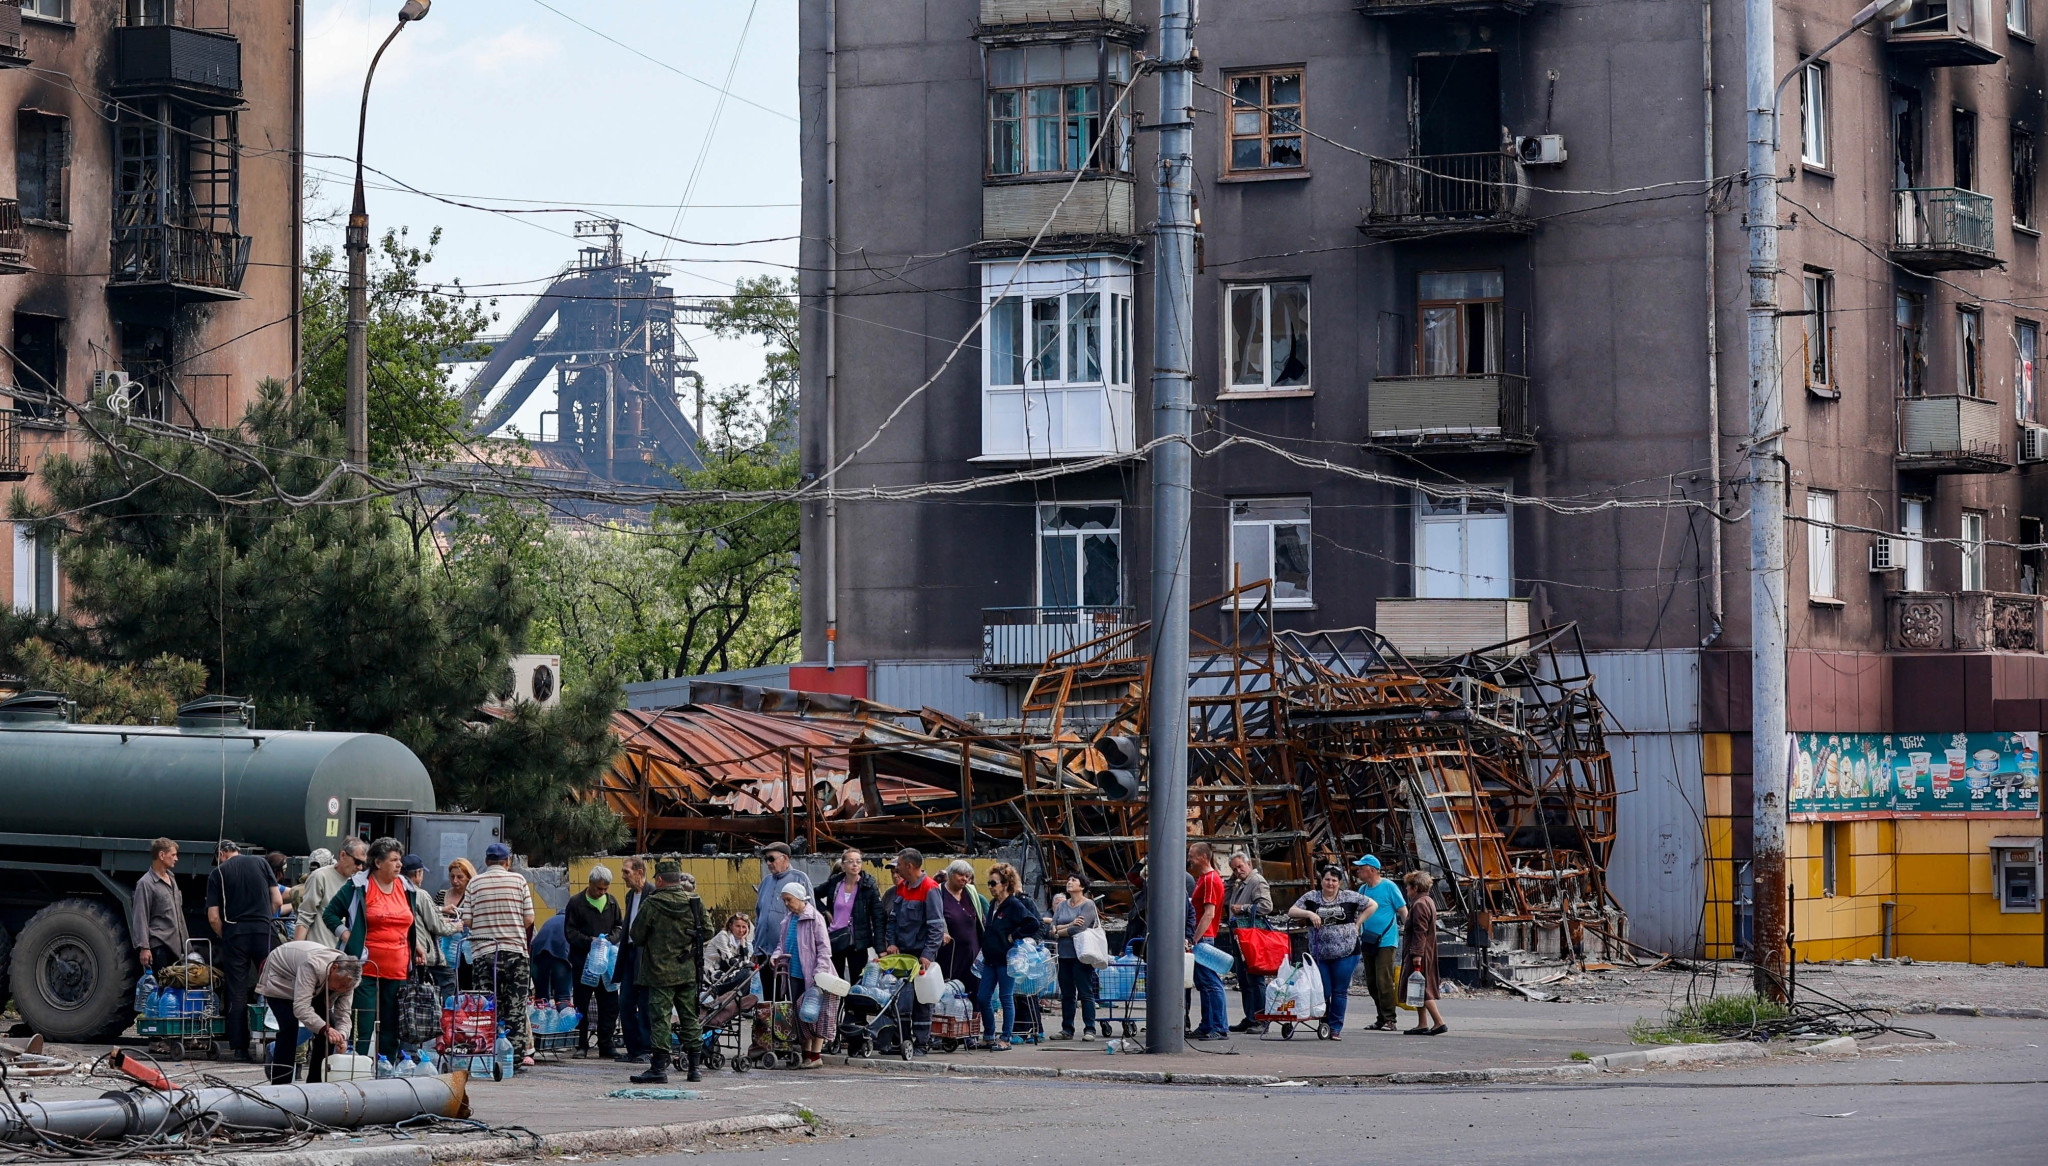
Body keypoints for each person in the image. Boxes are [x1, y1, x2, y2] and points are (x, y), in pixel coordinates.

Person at [321, 837, 417, 1059]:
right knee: (363, 1022)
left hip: (398, 966)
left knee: (392, 1024)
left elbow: (410, 921)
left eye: (399, 860)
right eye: (393, 860)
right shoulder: (357, 886)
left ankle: (386, 1067)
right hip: (365, 967)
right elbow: (330, 914)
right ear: (378, 863)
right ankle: (360, 1066)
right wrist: (347, 936)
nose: (399, 865)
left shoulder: (405, 886)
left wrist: (417, 945)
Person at [631, 857, 712, 1084]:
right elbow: (707, 931)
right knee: (690, 1018)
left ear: (659, 880)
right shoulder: (694, 901)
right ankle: (694, 1068)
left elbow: (636, 936)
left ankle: (658, 1068)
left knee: (661, 1019)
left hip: (658, 973)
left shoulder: (652, 904)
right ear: (678, 879)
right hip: (686, 971)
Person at [461, 842, 537, 1067]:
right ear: (508, 862)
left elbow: (467, 921)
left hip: (484, 954)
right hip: (515, 954)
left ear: (486, 862)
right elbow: (530, 918)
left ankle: (486, 1054)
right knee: (515, 1006)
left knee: (486, 1006)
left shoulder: (474, 883)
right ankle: (512, 1058)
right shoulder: (519, 881)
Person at [206, 840, 283, 1061]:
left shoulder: (217, 874)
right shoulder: (261, 863)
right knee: (274, 985)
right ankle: (277, 1040)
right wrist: (263, 919)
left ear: (222, 854)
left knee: (237, 991)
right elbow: (277, 900)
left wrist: (228, 935)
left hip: (235, 935)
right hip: (263, 932)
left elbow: (213, 917)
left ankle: (239, 1048)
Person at [1286, 865, 1374, 1039]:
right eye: (1327, 879)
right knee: (1323, 990)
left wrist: (1358, 924)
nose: (1330, 883)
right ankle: (1324, 1022)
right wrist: (1309, 914)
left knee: (1339, 991)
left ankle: (1335, 1028)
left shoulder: (1349, 896)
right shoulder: (1311, 897)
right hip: (1320, 952)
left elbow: (1372, 905)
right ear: (1321, 881)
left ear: (1339, 882)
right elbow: (1292, 911)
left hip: (1346, 951)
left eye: (1334, 880)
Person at [257, 942, 360, 1085]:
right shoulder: (313, 965)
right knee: (289, 1029)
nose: (343, 989)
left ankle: (316, 1083)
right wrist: (326, 1029)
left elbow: (343, 1013)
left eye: (347, 987)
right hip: (280, 978)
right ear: (334, 969)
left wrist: (341, 1035)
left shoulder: (348, 981)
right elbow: (301, 1007)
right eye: (342, 985)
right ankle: (280, 1084)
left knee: (330, 1032)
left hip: (314, 985)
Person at [882, 848, 946, 1055]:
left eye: (899, 864)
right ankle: (902, 1040)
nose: (896, 868)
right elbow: (892, 920)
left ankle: (921, 1043)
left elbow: (936, 926)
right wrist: (891, 943)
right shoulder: (902, 887)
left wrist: (927, 955)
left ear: (909, 866)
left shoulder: (930, 888)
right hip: (902, 953)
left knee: (921, 999)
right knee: (900, 997)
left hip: (920, 954)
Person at [976, 862, 1041, 1050]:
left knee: (1006, 998)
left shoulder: (1013, 904)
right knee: (983, 997)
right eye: (989, 883)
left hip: (1005, 959)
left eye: (993, 883)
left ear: (1005, 884)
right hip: (990, 959)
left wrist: (1014, 935)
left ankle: (1005, 1038)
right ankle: (989, 1034)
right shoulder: (992, 904)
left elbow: (1033, 923)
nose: (990, 887)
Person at [564, 865, 624, 1058]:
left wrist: (609, 940)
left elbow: (619, 927)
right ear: (590, 884)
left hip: (606, 964)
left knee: (609, 1004)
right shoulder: (576, 903)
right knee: (581, 1004)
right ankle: (581, 1044)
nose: (602, 892)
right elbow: (570, 933)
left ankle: (606, 1044)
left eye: (605, 889)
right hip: (583, 964)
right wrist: (590, 942)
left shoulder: (612, 903)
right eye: (599, 889)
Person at [780, 884, 836, 1069]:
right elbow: (781, 945)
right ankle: (806, 1054)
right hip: (794, 973)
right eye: (784, 900)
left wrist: (819, 972)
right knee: (799, 1014)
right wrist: (775, 956)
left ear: (800, 898)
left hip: (814, 974)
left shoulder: (815, 918)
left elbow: (824, 949)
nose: (787, 904)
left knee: (817, 1013)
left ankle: (815, 1055)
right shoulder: (788, 919)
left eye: (789, 900)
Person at [1351, 855, 1408, 1031]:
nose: (1358, 871)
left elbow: (1403, 910)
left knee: (1384, 980)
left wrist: (1411, 935)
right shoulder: (1362, 890)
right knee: (1372, 981)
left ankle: (1390, 1019)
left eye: (1362, 868)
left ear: (1372, 870)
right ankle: (1381, 1018)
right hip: (1368, 940)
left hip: (1386, 940)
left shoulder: (1389, 887)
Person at [934, 860, 988, 1044]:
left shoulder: (971, 893)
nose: (964, 879)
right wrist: (941, 931)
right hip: (948, 953)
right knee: (947, 993)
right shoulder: (938, 892)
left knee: (974, 991)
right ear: (950, 874)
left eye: (967, 876)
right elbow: (933, 916)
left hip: (972, 952)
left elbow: (981, 920)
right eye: (960, 875)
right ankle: (944, 1034)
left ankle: (969, 1033)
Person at [815, 849, 884, 983]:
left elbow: (878, 917)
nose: (855, 865)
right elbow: (812, 895)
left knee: (858, 981)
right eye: (850, 862)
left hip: (858, 942)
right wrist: (824, 911)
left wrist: (880, 948)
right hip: (835, 938)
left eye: (858, 862)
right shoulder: (835, 883)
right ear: (843, 866)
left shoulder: (868, 885)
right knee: (835, 981)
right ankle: (839, 1005)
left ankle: (855, 1004)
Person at [751, 843, 814, 991]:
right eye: (766, 859)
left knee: (790, 1000)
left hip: (789, 953)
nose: (768, 863)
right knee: (769, 999)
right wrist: (755, 947)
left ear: (785, 858)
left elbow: (810, 915)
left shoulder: (800, 878)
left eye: (771, 859)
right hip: (764, 952)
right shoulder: (765, 882)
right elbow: (759, 915)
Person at [1225, 852, 1274, 1034]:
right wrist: (1231, 880)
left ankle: (1261, 1019)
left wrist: (1243, 908)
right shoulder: (1241, 883)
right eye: (1234, 869)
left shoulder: (1256, 881)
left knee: (1255, 979)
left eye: (1240, 867)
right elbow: (1225, 899)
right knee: (1244, 980)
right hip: (1239, 936)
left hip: (1251, 937)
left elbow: (1266, 906)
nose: (1238, 871)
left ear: (1249, 863)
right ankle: (1251, 1016)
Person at [1047, 875, 1100, 1041]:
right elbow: (1051, 929)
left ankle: (1090, 1029)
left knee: (1085, 992)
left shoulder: (1088, 905)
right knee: (1067, 994)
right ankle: (1067, 1029)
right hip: (1064, 954)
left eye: (1074, 881)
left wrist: (1059, 932)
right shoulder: (1062, 905)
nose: (1069, 882)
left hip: (1081, 955)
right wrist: (1068, 925)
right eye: (1068, 880)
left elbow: (1080, 929)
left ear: (1082, 886)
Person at [1185, 842, 1229, 1040]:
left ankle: (1219, 1026)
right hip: (1204, 936)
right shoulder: (1206, 878)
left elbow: (1208, 913)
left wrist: (1194, 939)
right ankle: (1208, 1024)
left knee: (1210, 983)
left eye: (1192, 856)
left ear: (1203, 857)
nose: (1189, 860)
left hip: (1203, 936)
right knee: (1204, 983)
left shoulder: (1210, 880)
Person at [402, 854, 460, 1002]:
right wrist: (456, 926)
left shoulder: (396, 892)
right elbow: (438, 927)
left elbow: (420, 916)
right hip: (426, 955)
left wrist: (440, 911)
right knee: (448, 979)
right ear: (417, 873)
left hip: (405, 952)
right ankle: (441, 1017)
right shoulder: (420, 894)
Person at [614, 857, 652, 1064]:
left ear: (639, 872)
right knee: (625, 1002)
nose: (624, 876)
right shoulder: (630, 896)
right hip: (628, 953)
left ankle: (646, 1048)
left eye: (626, 872)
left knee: (645, 1003)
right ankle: (632, 1048)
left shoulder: (653, 893)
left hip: (645, 955)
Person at [131, 837, 187, 975]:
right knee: (161, 990)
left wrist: (187, 947)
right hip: (159, 947)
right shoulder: (146, 883)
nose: (176, 859)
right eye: (173, 855)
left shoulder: (172, 879)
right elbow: (140, 917)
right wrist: (144, 948)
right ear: (162, 855)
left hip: (175, 948)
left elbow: (179, 916)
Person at [1401, 871, 1446, 1036]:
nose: (1406, 889)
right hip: (1425, 950)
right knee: (1417, 986)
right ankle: (1422, 1023)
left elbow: (1420, 931)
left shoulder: (1419, 904)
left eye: (1408, 886)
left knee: (1422, 987)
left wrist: (1417, 955)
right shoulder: (1427, 901)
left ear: (1416, 887)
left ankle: (1439, 1022)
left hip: (1420, 952)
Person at [296, 839, 363, 947]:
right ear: (342, 855)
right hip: (321, 953)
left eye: (364, 863)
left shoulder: (359, 882)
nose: (360, 867)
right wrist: (296, 952)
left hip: (347, 956)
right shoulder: (320, 877)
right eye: (358, 862)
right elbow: (304, 918)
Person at [440, 857, 476, 989]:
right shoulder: (442, 895)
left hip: (466, 953)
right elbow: (432, 917)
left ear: (468, 877)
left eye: (460, 877)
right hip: (444, 950)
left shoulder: (472, 897)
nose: (455, 881)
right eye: (452, 876)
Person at [704, 912, 754, 990]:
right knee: (746, 974)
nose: (741, 930)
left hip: (726, 971)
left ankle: (740, 1000)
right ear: (730, 926)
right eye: (738, 926)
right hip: (711, 973)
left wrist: (743, 942)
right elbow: (731, 962)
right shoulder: (723, 936)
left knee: (748, 973)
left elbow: (745, 962)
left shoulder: (743, 941)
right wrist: (747, 964)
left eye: (744, 927)